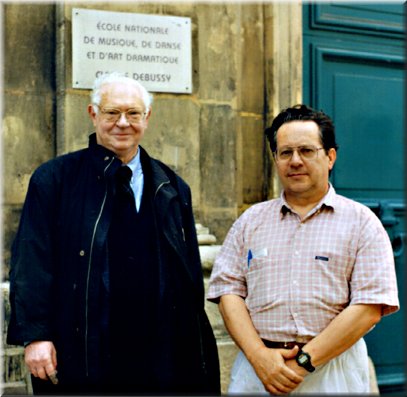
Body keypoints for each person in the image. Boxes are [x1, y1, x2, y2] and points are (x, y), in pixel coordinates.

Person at [7, 72, 220, 395]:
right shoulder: (55, 180)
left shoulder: (172, 187)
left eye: (133, 113)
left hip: (158, 354)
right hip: (84, 349)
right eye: (112, 112)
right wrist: (36, 335)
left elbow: (188, 274)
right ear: (93, 114)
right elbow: (32, 261)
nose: (123, 123)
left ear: (147, 118)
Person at [207, 104, 399, 394]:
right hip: (258, 371)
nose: (295, 161)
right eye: (285, 152)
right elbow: (228, 291)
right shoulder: (251, 221)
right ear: (275, 158)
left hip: (332, 372)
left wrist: (304, 363)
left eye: (307, 151)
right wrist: (259, 357)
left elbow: (369, 306)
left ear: (330, 157)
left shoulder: (362, 223)